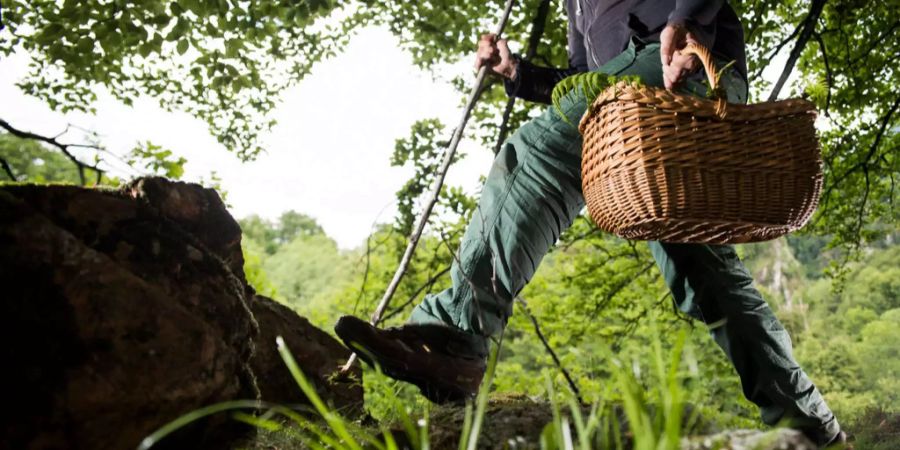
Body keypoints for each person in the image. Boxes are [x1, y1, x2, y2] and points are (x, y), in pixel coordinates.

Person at [335, 0, 846, 446]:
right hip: (634, 105)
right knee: (703, 271)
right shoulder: (576, 6)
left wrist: (688, 20)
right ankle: (809, 424)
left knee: (535, 153)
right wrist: (519, 74)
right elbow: (578, 85)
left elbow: (599, 92)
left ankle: (455, 336)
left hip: (680, 67)